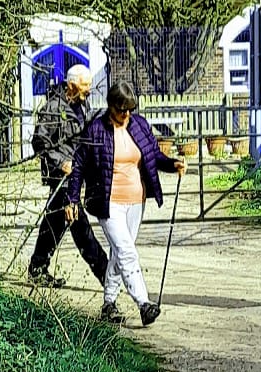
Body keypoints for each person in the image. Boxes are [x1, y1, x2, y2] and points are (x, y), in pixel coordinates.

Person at [65, 80, 185, 327]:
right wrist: (72, 199)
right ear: (111, 107)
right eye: (122, 110)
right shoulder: (95, 130)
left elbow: (153, 156)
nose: (127, 114)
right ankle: (144, 304)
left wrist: (172, 164)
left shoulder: (139, 125)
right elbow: (78, 167)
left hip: (135, 201)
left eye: (130, 109)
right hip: (107, 203)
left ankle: (109, 304)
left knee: (119, 253)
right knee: (127, 252)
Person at [27, 63, 108, 289]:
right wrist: (60, 163)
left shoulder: (81, 104)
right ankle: (107, 275)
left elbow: (82, 131)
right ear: (71, 85)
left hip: (76, 176)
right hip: (61, 178)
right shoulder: (53, 108)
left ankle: (37, 269)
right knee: (81, 229)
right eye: (84, 86)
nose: (88, 90)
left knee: (53, 224)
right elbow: (39, 143)